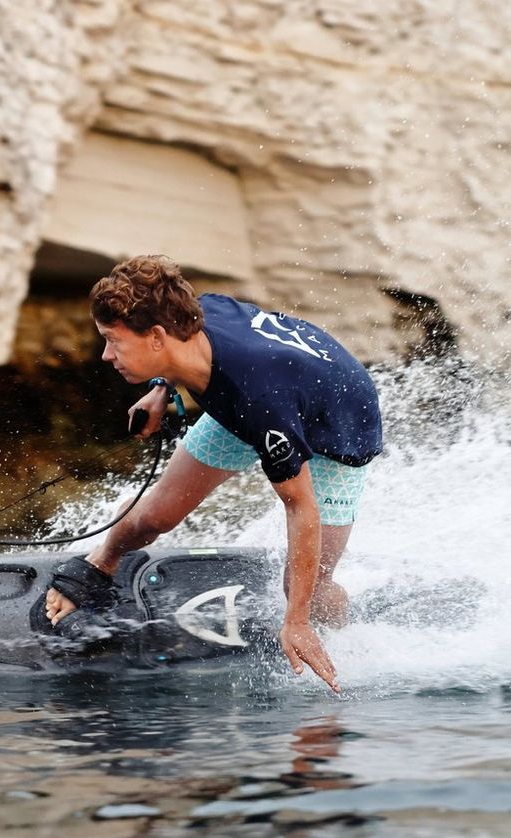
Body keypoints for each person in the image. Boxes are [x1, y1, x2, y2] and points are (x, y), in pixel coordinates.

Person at [44, 256, 383, 693]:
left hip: (335, 431)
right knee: (156, 516)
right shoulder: (197, 314)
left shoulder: (260, 395)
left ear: (156, 337)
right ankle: (102, 564)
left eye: (113, 341)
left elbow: (301, 507)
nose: (106, 355)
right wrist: (160, 390)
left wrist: (294, 620)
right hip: (251, 401)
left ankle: (336, 638)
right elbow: (185, 352)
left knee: (308, 591)